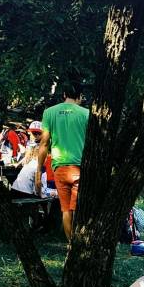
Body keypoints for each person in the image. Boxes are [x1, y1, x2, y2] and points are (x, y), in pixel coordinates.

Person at [36, 81, 90, 240]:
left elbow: (44, 143)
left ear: (64, 95)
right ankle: (79, 246)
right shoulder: (86, 114)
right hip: (79, 167)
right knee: (77, 209)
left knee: (66, 210)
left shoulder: (50, 112)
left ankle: (71, 246)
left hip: (59, 167)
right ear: (80, 97)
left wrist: (39, 170)